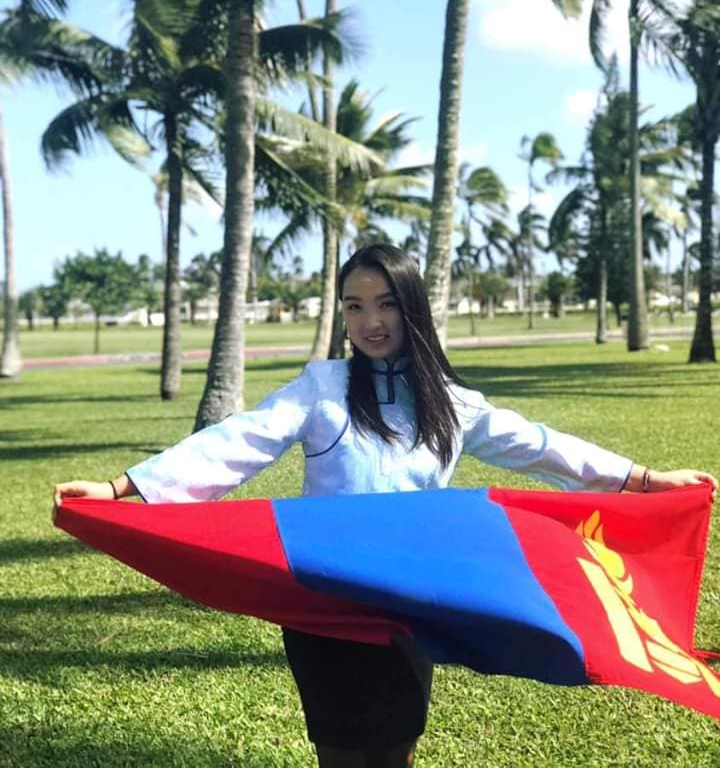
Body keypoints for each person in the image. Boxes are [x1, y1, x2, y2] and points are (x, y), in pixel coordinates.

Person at [54, 243, 717, 768]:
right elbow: (239, 441)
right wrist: (122, 488)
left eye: (385, 304)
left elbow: (545, 448)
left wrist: (644, 479)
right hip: (325, 598)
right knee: (340, 749)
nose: (370, 321)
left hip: (408, 602)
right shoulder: (324, 387)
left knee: (397, 745)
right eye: (353, 306)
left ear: (412, 308)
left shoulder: (452, 404)